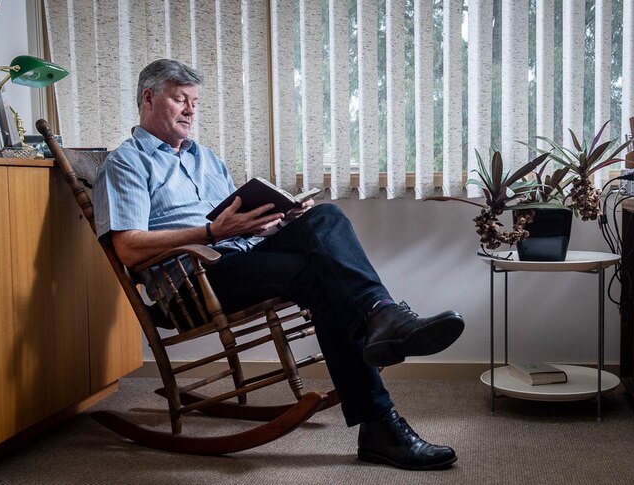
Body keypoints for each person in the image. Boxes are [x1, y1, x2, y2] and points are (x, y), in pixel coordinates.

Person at [93, 59, 465, 470]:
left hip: (240, 259)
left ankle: (381, 317)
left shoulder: (207, 159)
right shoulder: (126, 163)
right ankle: (382, 401)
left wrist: (275, 221)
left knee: (325, 218)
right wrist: (212, 233)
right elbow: (128, 248)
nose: (190, 111)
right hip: (190, 284)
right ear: (148, 97)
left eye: (195, 102)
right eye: (181, 99)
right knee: (316, 278)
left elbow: (237, 227)